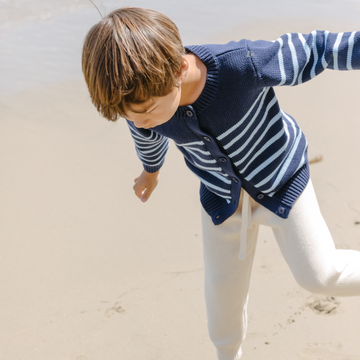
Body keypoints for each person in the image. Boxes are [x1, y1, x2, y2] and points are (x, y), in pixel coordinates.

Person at [82, 7, 360, 360]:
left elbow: (316, 48)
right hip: (222, 200)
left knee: (320, 276)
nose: (139, 123)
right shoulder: (140, 97)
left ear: (179, 69)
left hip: (282, 182)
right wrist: (150, 171)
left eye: (146, 111)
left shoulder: (243, 65)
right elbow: (147, 137)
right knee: (222, 304)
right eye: (128, 117)